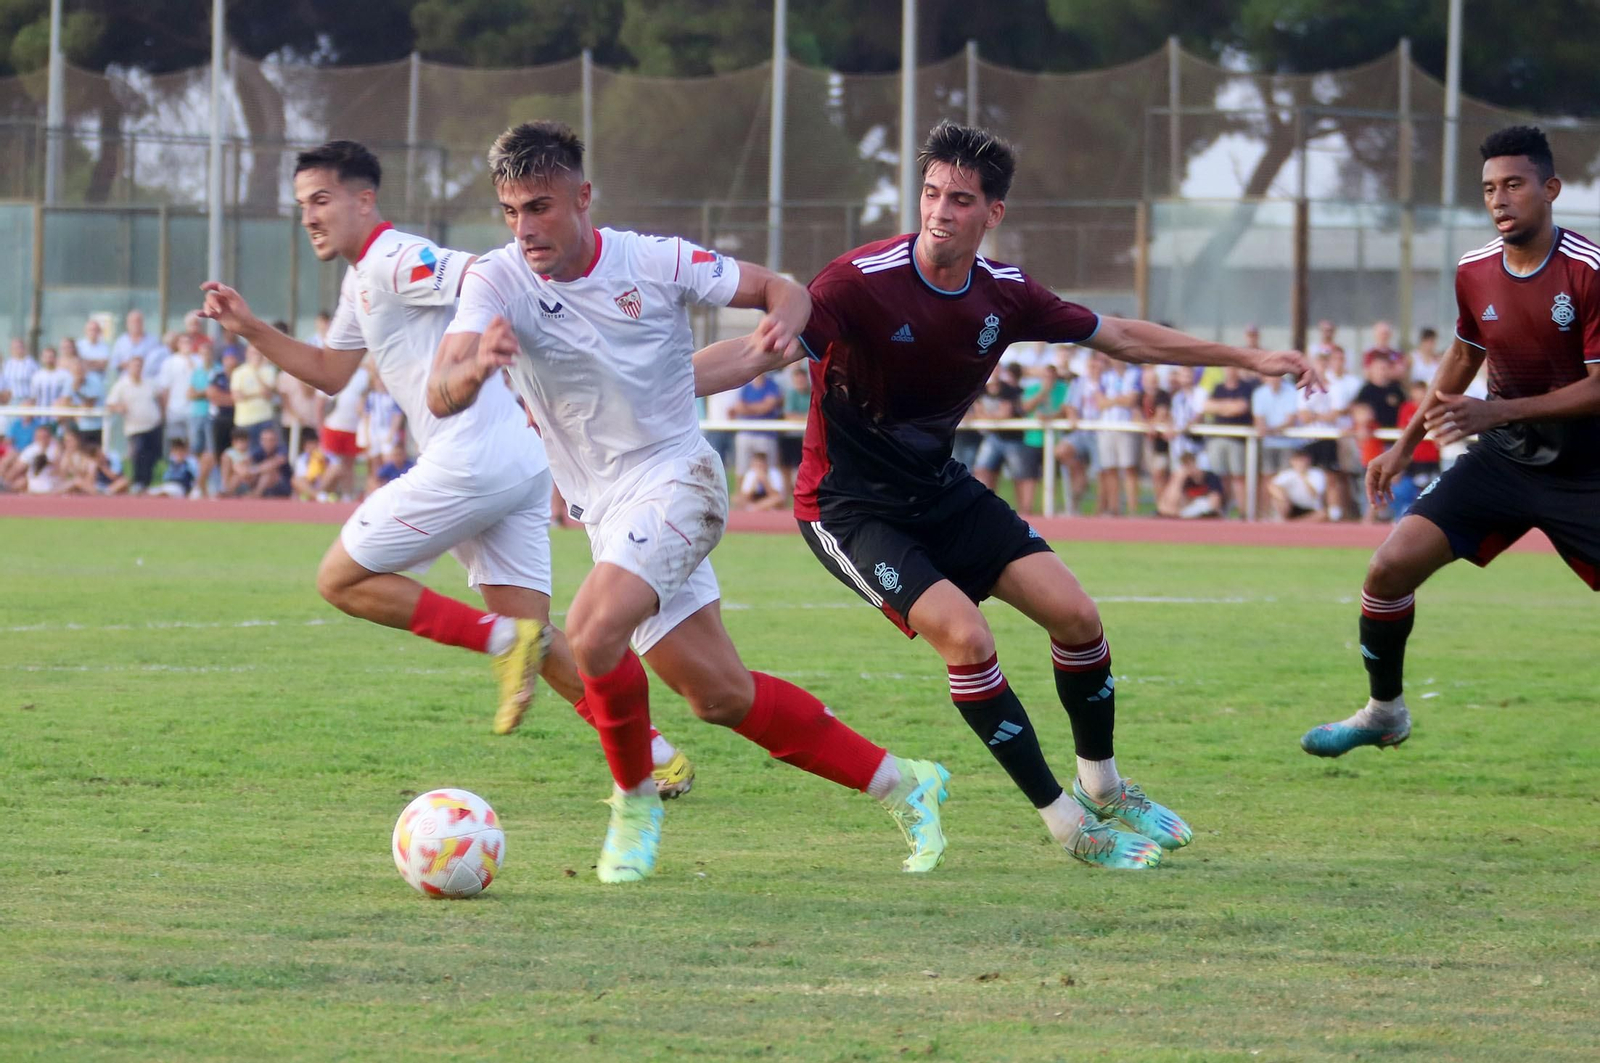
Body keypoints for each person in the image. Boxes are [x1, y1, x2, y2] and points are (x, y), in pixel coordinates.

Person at [696, 120, 1322, 869]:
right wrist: (643, 389)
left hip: (941, 490)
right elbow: (750, 353)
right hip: (849, 509)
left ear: (993, 213)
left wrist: (1249, 357)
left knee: (1078, 618)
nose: (938, 211)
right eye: (930, 192)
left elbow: (1120, 336)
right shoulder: (858, 281)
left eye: (960, 199)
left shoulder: (1008, 294)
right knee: (968, 639)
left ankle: (1105, 786)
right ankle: (1065, 822)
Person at [427, 120, 949, 883]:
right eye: (510, 210)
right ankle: (905, 781)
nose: (525, 228)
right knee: (718, 695)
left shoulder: (655, 259)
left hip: (679, 480)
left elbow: (782, 288)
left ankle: (635, 804)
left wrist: (784, 323)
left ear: (582, 196)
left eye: (540, 206)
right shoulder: (496, 278)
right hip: (607, 513)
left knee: (592, 631)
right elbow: (442, 386)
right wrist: (472, 373)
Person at [199, 140, 695, 787]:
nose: (310, 217)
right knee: (539, 636)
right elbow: (330, 370)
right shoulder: (361, 279)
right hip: (514, 461)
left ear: (363, 199)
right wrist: (250, 328)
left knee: (341, 579)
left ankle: (499, 642)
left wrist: (512, 330)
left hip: (473, 458)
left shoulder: (394, 258)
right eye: (302, 206)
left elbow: (485, 271)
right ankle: (658, 758)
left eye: (321, 200)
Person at [1301, 125, 1600, 758]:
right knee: (1388, 569)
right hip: (1505, 461)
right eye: (1489, 188)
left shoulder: (1589, 272)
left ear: (1551, 189)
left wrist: (1498, 412)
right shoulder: (1473, 270)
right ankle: (1384, 712)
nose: (1499, 199)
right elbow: (1464, 356)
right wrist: (1404, 444)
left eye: (1514, 184)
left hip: (1587, 469)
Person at [1201, 364, 1255, 511]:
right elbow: (1207, 406)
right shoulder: (1218, 388)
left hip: (1238, 441)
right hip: (1218, 439)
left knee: (1238, 477)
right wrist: (1229, 407)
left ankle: (1244, 513)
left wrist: (1222, 407)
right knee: (1220, 477)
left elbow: (1241, 408)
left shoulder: (1246, 388)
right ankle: (1222, 510)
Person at [105, 354, 162, 491]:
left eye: (139, 366)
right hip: (135, 427)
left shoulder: (149, 383)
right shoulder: (122, 384)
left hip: (153, 425)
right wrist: (120, 408)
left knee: (152, 456)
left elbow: (160, 398)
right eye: (135, 366)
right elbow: (110, 403)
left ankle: (148, 484)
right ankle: (137, 482)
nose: (137, 368)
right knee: (139, 455)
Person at [729, 369, 783, 478]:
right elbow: (738, 407)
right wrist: (758, 407)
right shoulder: (746, 387)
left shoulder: (772, 385)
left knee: (769, 470)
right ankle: (742, 494)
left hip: (766, 434)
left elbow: (767, 407)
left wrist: (747, 407)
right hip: (746, 432)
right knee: (742, 468)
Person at [231, 343, 278, 448]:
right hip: (245, 420)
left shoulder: (269, 370)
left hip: (264, 418)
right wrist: (257, 394)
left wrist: (256, 373)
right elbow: (237, 397)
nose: (255, 356)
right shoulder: (238, 372)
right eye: (252, 353)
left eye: (257, 353)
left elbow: (267, 393)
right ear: (247, 354)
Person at [1157, 449, 1224, 519]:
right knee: (1165, 509)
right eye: (1186, 465)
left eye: (1191, 464)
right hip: (1186, 511)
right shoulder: (1183, 479)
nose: (1190, 468)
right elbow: (1169, 502)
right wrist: (1178, 480)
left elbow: (1214, 504)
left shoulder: (1210, 477)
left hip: (1202, 510)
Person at [1267, 446, 1328, 521]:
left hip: (1311, 508)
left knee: (1323, 514)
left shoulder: (1317, 474)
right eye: (1298, 460)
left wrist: (1303, 477)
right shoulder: (1287, 474)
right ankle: (1286, 520)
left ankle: (1295, 523)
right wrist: (1283, 497)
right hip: (1293, 506)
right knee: (1278, 501)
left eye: (1303, 460)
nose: (1300, 462)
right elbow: (1272, 486)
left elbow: (1314, 494)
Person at [111, 309, 165, 377]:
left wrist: (141, 365)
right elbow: (115, 364)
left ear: (143, 322)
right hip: (126, 382)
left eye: (138, 321)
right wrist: (132, 365)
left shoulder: (153, 341)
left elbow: (159, 363)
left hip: (147, 382)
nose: (135, 324)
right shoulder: (120, 342)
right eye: (132, 321)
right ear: (127, 323)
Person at [2, 337, 38, 406]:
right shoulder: (7, 364)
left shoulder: (31, 363)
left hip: (27, 399)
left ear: (24, 348)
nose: (18, 350)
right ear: (11, 349)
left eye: (20, 347)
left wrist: (33, 399)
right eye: (15, 347)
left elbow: (36, 382)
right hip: (11, 401)